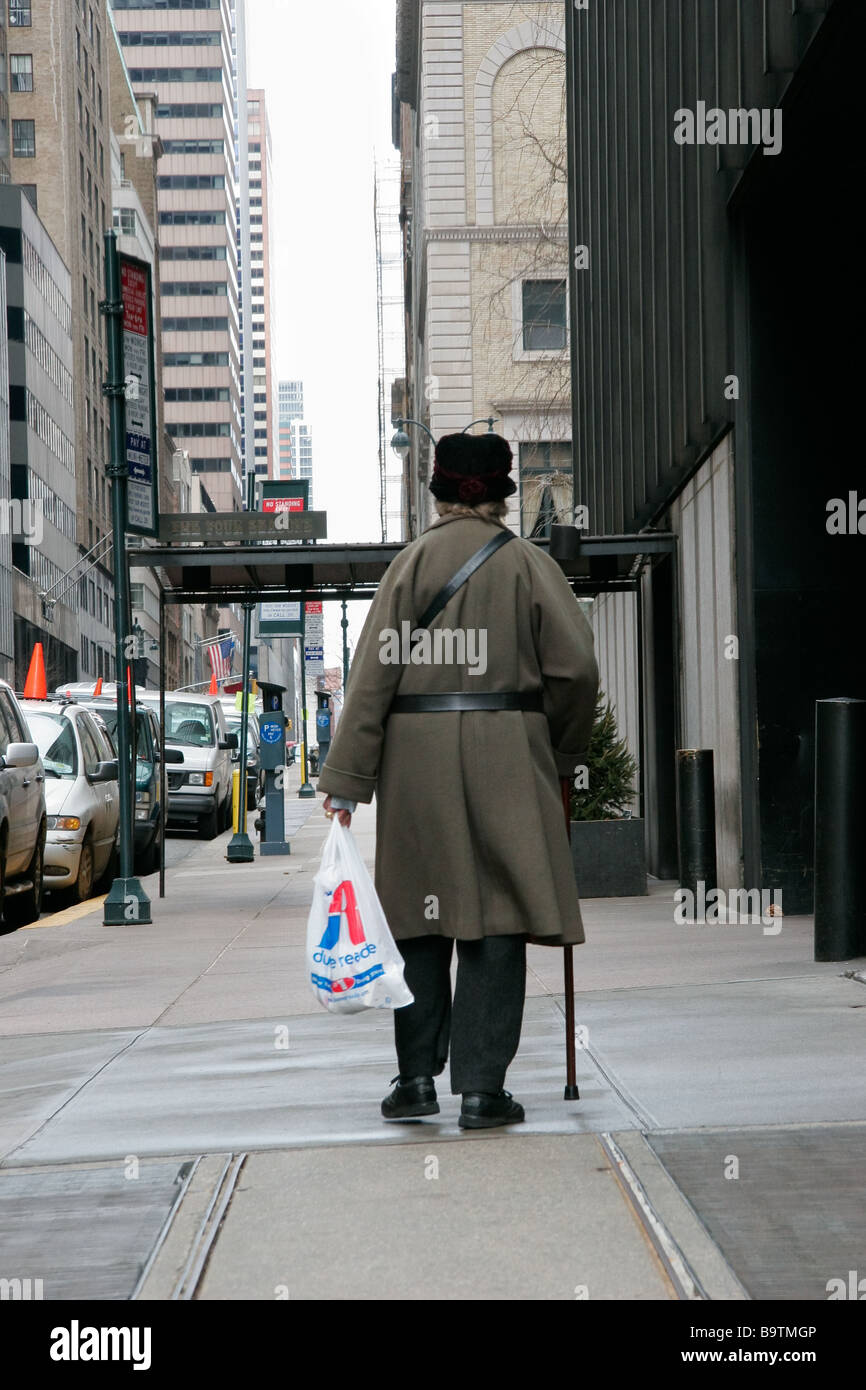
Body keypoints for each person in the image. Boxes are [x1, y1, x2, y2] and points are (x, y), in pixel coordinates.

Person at [318, 431, 599, 1129]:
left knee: (419, 919)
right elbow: (577, 673)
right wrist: (561, 754)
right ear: (502, 492)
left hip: (416, 761)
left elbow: (371, 680)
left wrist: (348, 779)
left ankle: (415, 1082)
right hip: (508, 749)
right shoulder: (531, 566)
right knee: (496, 920)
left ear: (437, 491)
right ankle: (481, 1090)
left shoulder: (408, 566)